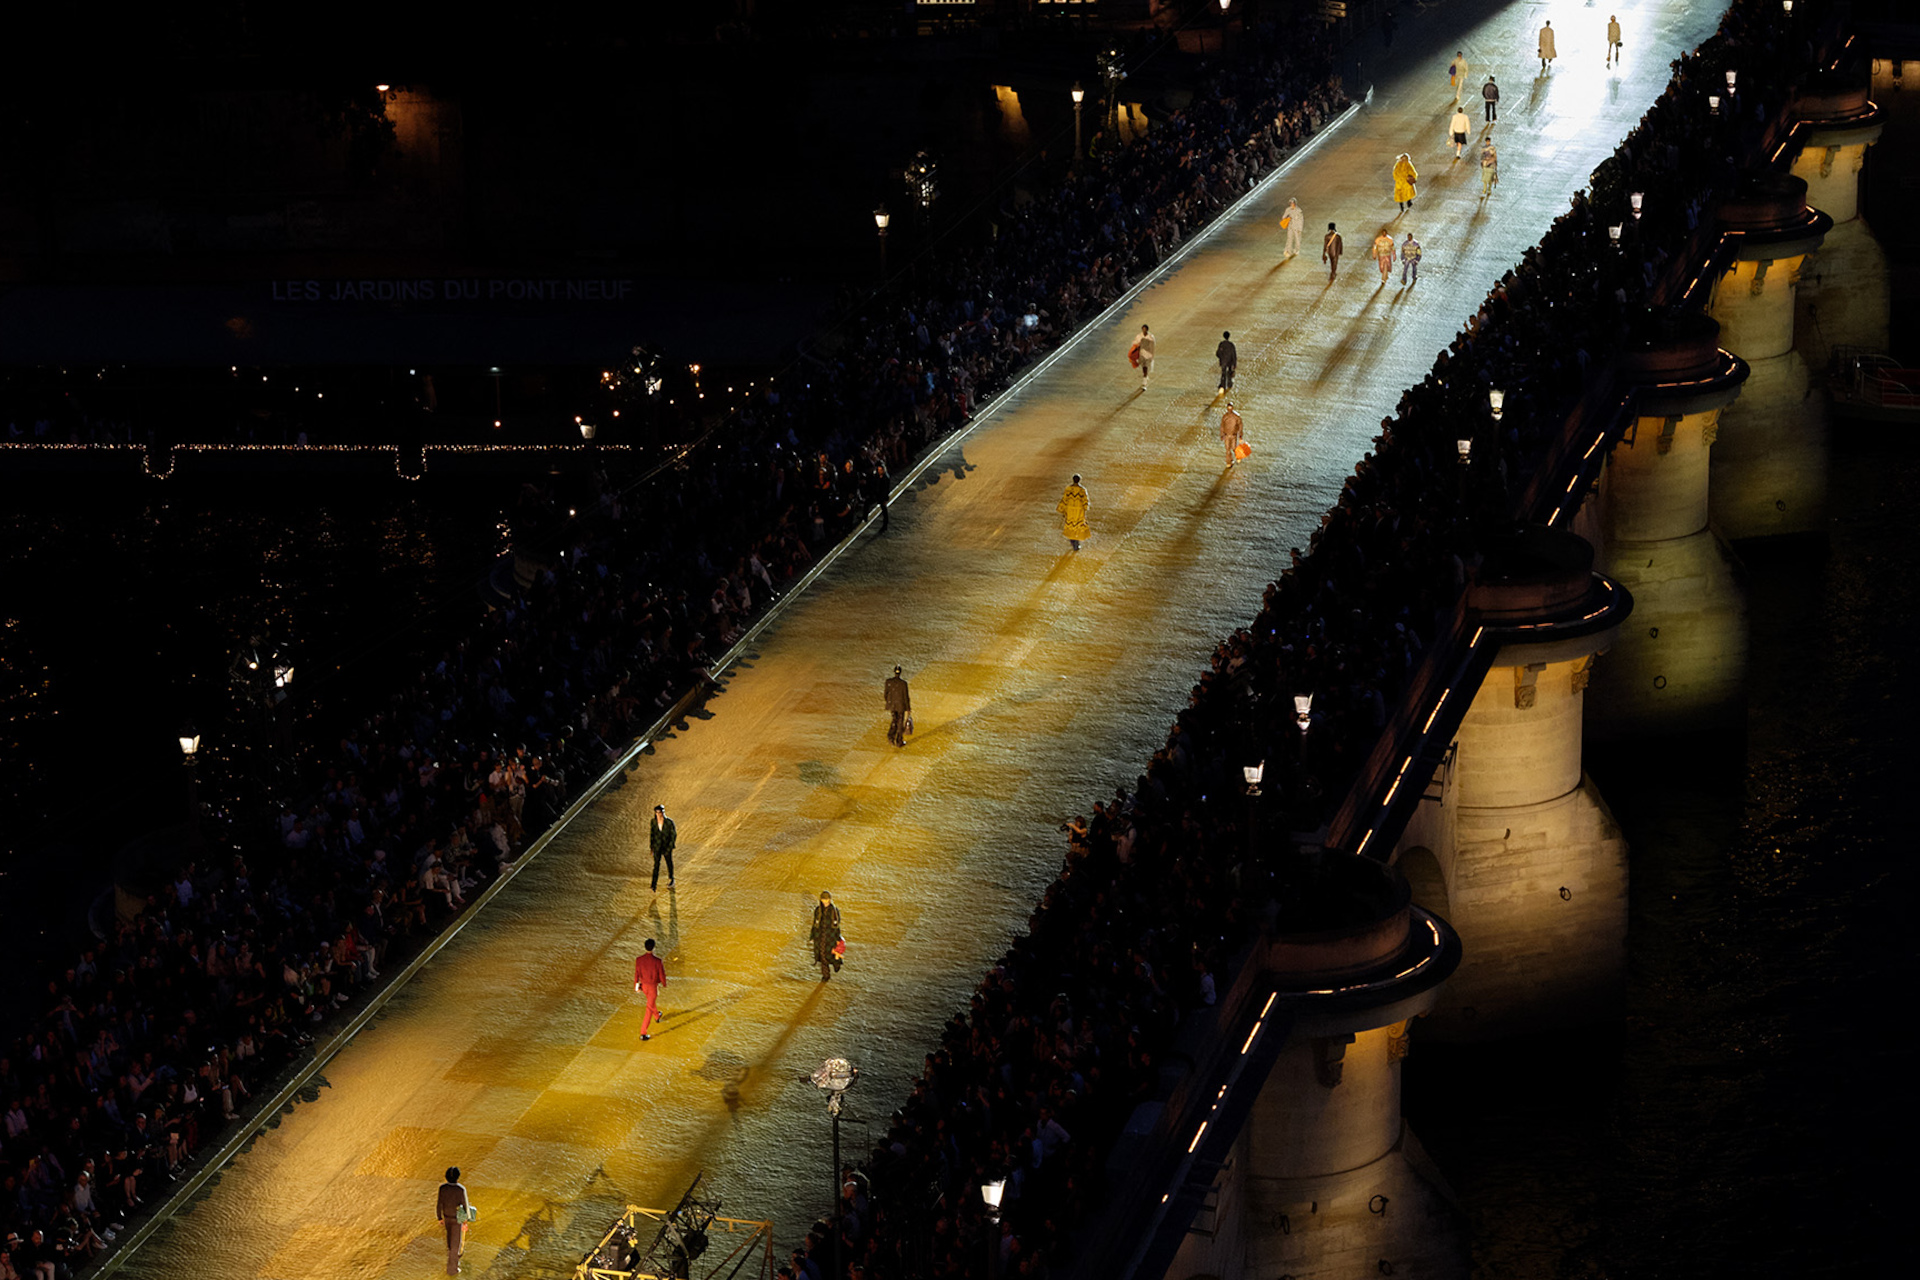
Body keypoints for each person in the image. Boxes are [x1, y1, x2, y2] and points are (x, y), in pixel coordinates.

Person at [436, 1167, 471, 1276]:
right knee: (455, 1245)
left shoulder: (442, 1188)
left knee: (450, 1242)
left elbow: (439, 1204)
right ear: (458, 1177)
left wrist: (439, 1218)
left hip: (447, 1218)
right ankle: (453, 1269)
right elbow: (465, 1206)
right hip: (457, 1220)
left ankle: (452, 1263)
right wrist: (465, 1222)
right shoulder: (461, 1189)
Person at [634, 938, 667, 1040]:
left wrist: (636, 985)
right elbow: (661, 974)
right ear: (653, 947)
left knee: (650, 1002)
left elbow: (637, 974)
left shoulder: (639, 960)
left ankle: (657, 1016)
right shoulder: (657, 961)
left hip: (644, 986)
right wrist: (664, 983)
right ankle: (643, 1033)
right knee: (649, 1008)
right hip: (653, 987)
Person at [809, 891, 843, 982]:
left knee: (832, 953)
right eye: (823, 900)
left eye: (826, 900)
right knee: (822, 955)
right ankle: (826, 975)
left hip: (831, 936)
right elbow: (815, 923)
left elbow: (837, 926)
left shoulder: (834, 911)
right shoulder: (818, 910)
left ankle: (836, 964)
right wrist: (812, 936)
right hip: (820, 936)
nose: (825, 902)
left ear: (829, 900)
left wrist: (837, 938)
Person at [1057, 474, 1090, 551]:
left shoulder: (1068, 488)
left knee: (1070, 525)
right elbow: (1085, 501)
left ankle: (1073, 541)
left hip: (1070, 510)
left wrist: (1062, 509)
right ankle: (1076, 543)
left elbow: (1065, 499)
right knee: (1077, 526)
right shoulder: (1082, 490)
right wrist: (1085, 510)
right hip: (1079, 511)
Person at [648, 803, 676, 890]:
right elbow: (652, 835)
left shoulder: (669, 822)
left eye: (661, 812)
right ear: (656, 813)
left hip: (666, 847)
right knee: (656, 865)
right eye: (658, 813)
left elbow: (673, 836)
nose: (660, 814)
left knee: (669, 863)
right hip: (657, 847)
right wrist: (652, 847)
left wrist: (669, 848)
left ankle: (671, 879)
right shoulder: (653, 822)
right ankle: (653, 885)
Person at [884, 665, 912, 746]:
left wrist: (889, 702)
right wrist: (908, 708)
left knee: (894, 720)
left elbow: (886, 694)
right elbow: (906, 697)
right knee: (900, 722)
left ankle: (891, 736)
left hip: (892, 705)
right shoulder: (903, 683)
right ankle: (899, 741)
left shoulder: (888, 682)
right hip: (901, 706)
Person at [1219, 402, 1244, 468]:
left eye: (1230, 407)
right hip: (1227, 435)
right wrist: (1222, 435)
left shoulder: (1236, 417)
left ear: (1232, 408)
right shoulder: (1225, 417)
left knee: (1233, 448)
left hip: (1233, 435)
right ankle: (1229, 462)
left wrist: (1240, 436)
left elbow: (1240, 426)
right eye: (1228, 408)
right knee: (1227, 449)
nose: (1229, 409)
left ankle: (1238, 457)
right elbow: (1222, 426)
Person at [1131, 323, 1155, 389]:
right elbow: (1135, 344)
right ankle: (1145, 376)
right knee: (1143, 366)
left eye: (1145, 329)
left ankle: (1145, 381)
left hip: (1148, 353)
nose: (1144, 330)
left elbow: (1153, 346)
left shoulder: (1151, 337)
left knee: (1145, 366)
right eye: (1143, 329)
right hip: (1141, 353)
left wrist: (1152, 354)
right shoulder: (1139, 336)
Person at [1480, 131, 1499, 197]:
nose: (1488, 142)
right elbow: (1482, 157)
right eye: (1487, 141)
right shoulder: (1488, 148)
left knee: (1489, 178)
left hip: (1490, 164)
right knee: (1485, 178)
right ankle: (1485, 190)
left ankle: (1489, 189)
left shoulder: (1491, 148)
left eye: (1488, 141)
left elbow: (1495, 156)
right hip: (1486, 164)